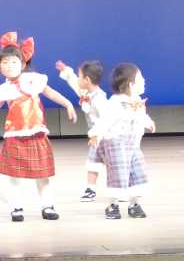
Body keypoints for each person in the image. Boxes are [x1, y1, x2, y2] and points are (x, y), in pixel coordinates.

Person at [0, 31, 77, 222]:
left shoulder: (33, 80)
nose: (8, 65)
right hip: (15, 135)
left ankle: (47, 206)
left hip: (36, 133)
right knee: (13, 176)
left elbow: (50, 93)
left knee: (43, 175)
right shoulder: (4, 89)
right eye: (4, 62)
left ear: (23, 64)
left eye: (13, 62)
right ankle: (16, 208)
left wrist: (68, 104)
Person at [88, 62, 155, 219]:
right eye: (140, 78)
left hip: (133, 145)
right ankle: (113, 205)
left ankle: (134, 204)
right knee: (118, 175)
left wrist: (149, 123)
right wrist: (95, 134)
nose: (144, 81)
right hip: (116, 144)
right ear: (131, 84)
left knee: (138, 173)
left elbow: (141, 116)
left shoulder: (137, 101)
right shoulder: (115, 103)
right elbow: (104, 120)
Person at [56, 59, 108, 201]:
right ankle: (90, 189)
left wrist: (95, 135)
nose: (78, 79)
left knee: (114, 164)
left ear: (87, 80)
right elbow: (75, 83)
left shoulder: (99, 99)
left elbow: (105, 119)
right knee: (93, 161)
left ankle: (121, 188)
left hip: (106, 135)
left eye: (80, 76)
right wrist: (66, 71)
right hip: (96, 137)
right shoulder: (86, 93)